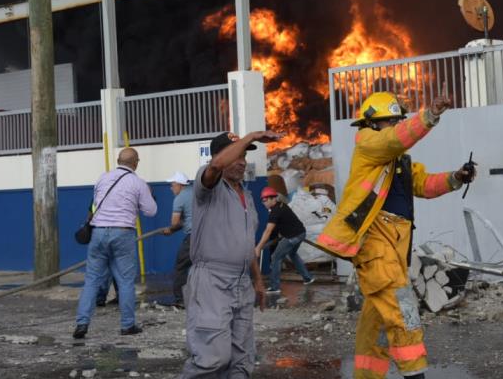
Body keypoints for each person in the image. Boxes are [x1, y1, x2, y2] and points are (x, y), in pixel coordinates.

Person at [315, 91, 475, 379]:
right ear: (373, 123)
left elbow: (423, 184)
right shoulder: (368, 143)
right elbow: (393, 139)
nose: (397, 126)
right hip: (376, 245)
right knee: (404, 313)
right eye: (393, 121)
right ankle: (416, 374)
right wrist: (429, 116)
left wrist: (456, 177)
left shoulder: (397, 161)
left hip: (394, 248)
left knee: (375, 324)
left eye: (399, 121)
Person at [178, 130, 282, 378]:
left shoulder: (245, 195)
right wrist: (252, 136)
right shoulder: (208, 187)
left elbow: (247, 245)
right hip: (211, 282)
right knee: (212, 358)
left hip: (241, 283)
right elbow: (215, 166)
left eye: (244, 156)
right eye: (236, 155)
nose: (242, 161)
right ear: (219, 156)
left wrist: (257, 281)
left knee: (241, 361)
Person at [73, 147, 158, 339]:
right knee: (125, 281)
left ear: (118, 161)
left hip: (99, 232)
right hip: (123, 233)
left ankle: (82, 324)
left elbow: (95, 204)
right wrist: (148, 196)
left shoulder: (103, 178)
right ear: (136, 162)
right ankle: (127, 325)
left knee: (92, 281)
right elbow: (151, 211)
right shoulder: (138, 183)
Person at [254, 186, 314, 294]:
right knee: (293, 254)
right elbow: (278, 226)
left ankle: (275, 287)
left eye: (265, 200)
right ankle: (308, 278)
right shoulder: (281, 205)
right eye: (262, 200)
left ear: (273, 199)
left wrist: (258, 247)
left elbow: (268, 231)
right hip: (301, 233)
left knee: (275, 257)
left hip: (292, 237)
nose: (263, 203)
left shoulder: (275, 211)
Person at [162, 171, 194, 307]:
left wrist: (169, 230)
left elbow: (175, 223)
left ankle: (180, 300)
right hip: (209, 235)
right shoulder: (196, 192)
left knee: (180, 267)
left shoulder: (180, 198)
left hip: (193, 237)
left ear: (180, 185)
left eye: (172, 185)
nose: (171, 188)